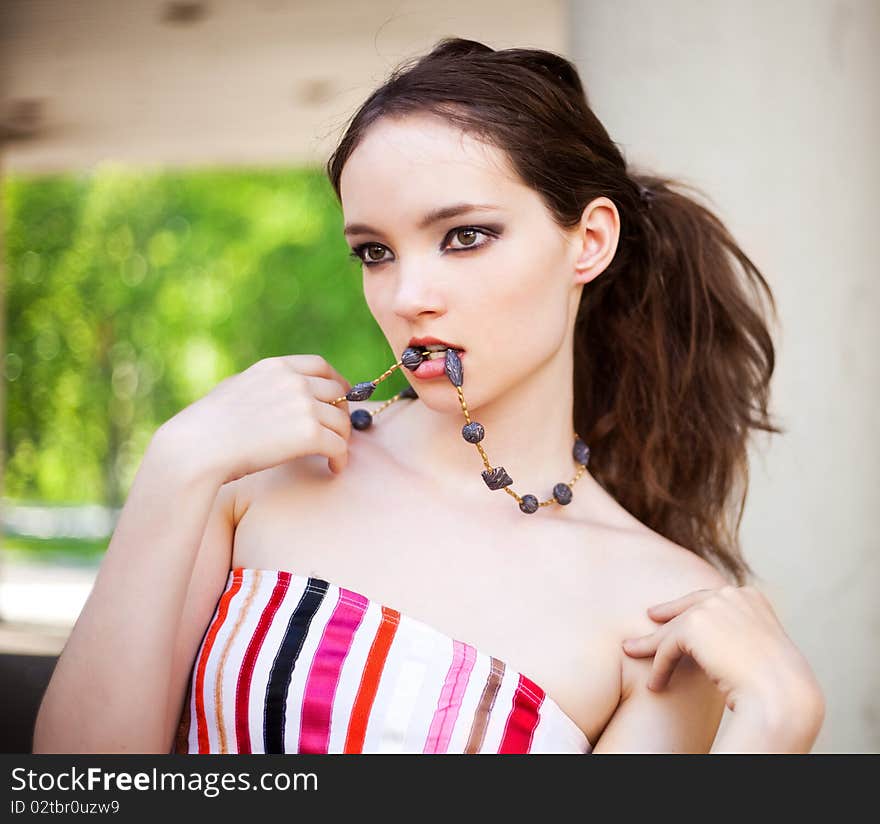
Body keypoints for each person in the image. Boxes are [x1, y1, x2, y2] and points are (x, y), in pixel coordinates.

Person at [32, 37, 825, 755]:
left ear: (589, 240)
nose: (408, 294)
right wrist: (177, 462)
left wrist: (776, 726)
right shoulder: (261, 470)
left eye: (464, 236)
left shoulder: (659, 610)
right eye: (374, 252)